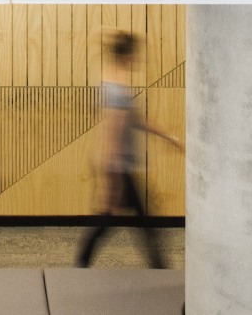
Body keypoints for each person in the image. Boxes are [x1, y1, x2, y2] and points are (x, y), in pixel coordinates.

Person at [76, 30, 180, 269]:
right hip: (118, 168)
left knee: (120, 220)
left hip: (120, 166)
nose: (137, 59)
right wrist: (111, 178)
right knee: (123, 220)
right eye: (135, 54)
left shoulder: (114, 85)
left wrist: (168, 137)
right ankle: (160, 269)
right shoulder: (115, 89)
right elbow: (112, 132)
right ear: (127, 55)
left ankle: (82, 264)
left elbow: (136, 120)